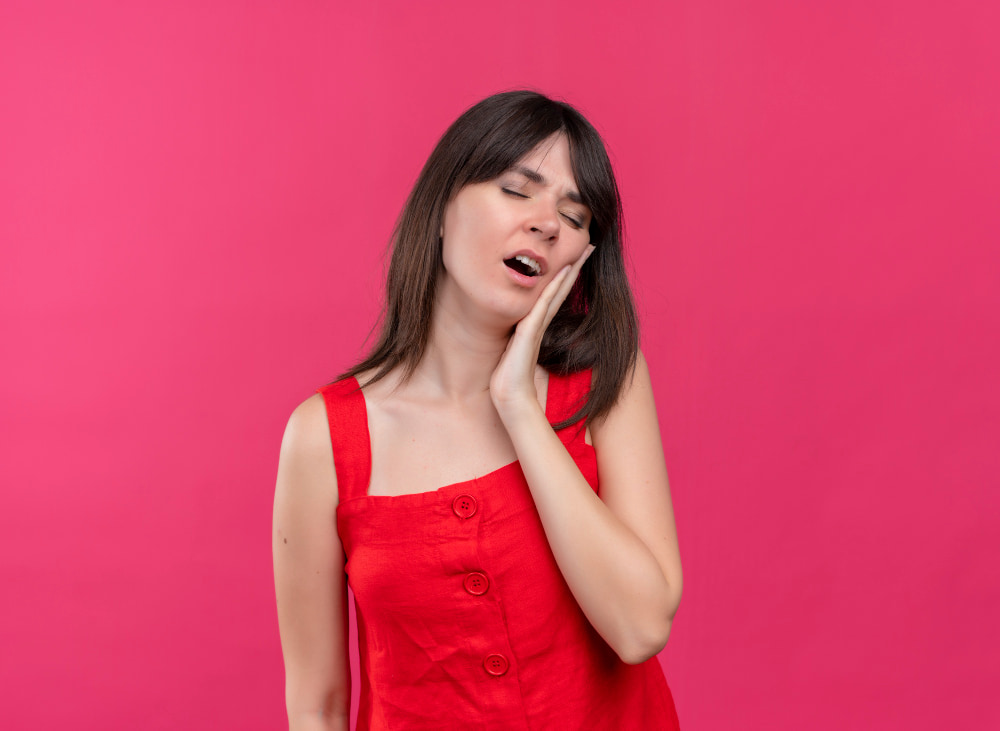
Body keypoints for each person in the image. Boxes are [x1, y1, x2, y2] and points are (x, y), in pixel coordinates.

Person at [273, 90, 682, 730]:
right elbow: (316, 708)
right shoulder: (323, 438)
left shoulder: (606, 385)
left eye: (575, 217)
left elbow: (639, 626)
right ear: (441, 209)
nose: (547, 223)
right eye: (518, 191)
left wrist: (518, 405)